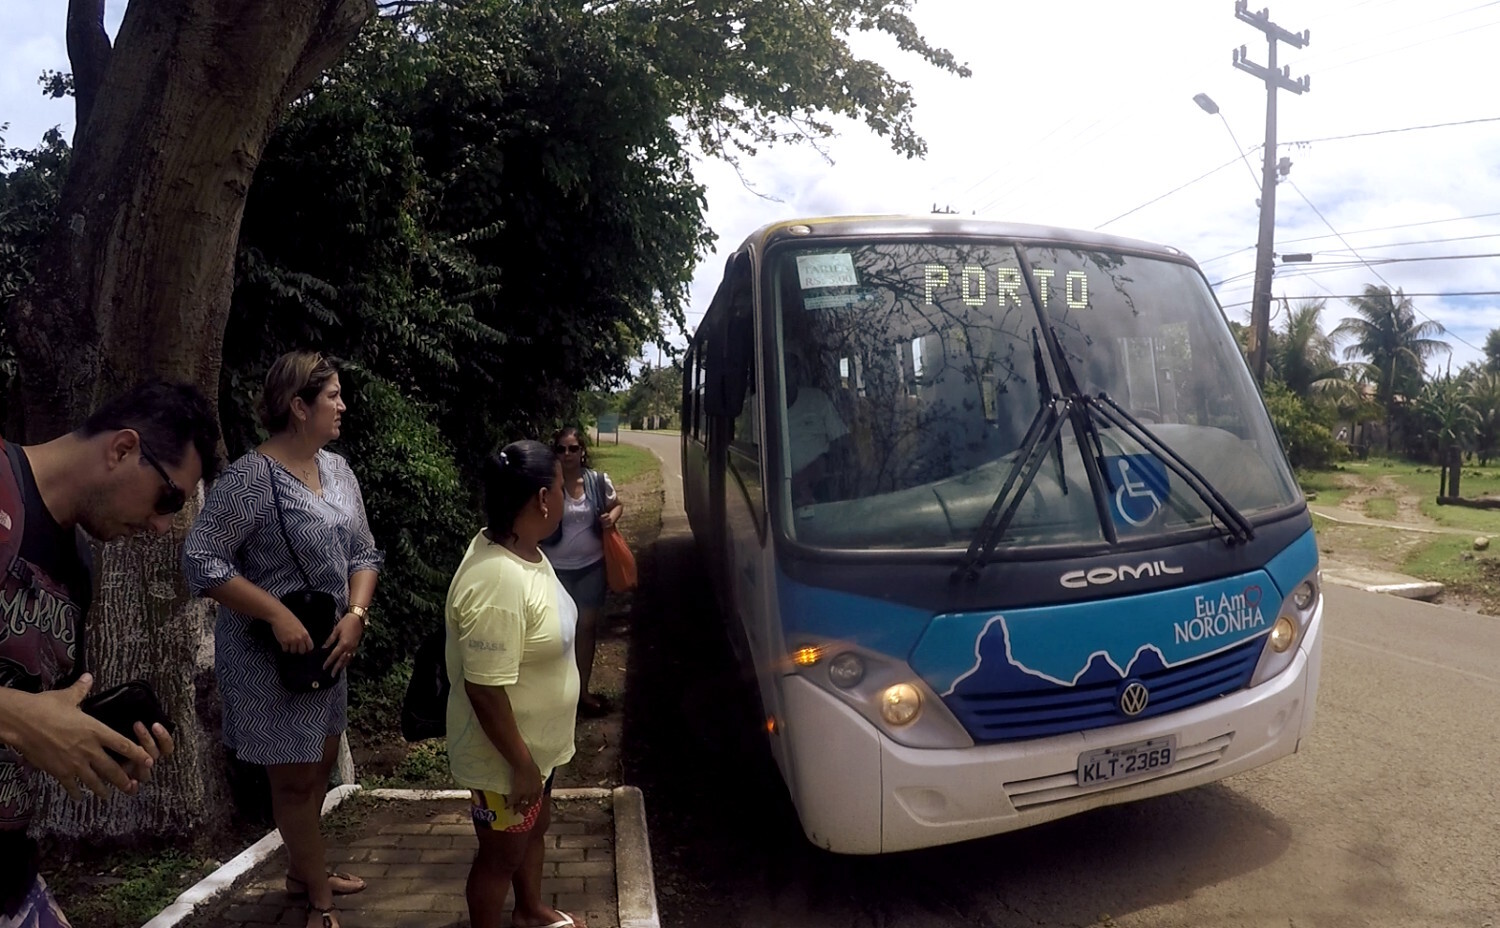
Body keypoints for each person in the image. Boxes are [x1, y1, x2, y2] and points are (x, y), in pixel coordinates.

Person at [0, 380, 220, 928]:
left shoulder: (77, 567)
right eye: (168, 498)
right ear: (123, 449)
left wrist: (83, 739)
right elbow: (20, 718)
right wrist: (16, 717)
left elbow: (34, 722)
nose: (161, 525)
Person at [183, 352, 382, 928]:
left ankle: (303, 868)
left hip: (329, 649)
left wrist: (358, 613)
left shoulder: (339, 470)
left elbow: (365, 552)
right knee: (293, 779)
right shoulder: (249, 479)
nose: (343, 405)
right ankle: (317, 898)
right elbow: (201, 558)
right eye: (332, 396)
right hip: (268, 658)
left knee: (318, 766)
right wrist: (274, 613)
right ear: (299, 406)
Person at [447, 441, 585, 928]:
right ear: (543, 500)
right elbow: (484, 689)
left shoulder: (522, 549)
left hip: (533, 752)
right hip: (506, 760)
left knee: (534, 829)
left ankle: (530, 910)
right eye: (562, 488)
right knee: (499, 856)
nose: (568, 497)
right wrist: (523, 767)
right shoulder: (497, 582)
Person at [539, 427, 622, 717]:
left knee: (585, 629)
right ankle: (558, 694)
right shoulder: (547, 485)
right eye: (561, 449)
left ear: (582, 451)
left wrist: (609, 519)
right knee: (559, 633)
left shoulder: (598, 481)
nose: (567, 454)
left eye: (573, 448)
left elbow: (616, 505)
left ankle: (582, 692)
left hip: (591, 567)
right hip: (554, 570)